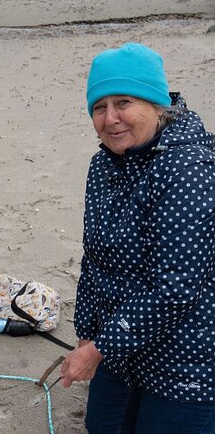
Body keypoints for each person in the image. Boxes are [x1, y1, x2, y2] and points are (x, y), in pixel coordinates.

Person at [60, 42, 215, 433]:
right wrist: (86, 333)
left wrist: (98, 348)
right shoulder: (103, 165)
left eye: (124, 102)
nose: (110, 118)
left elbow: (176, 290)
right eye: (99, 107)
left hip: (188, 351)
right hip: (120, 344)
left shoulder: (187, 169)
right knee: (102, 426)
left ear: (156, 104)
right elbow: (93, 258)